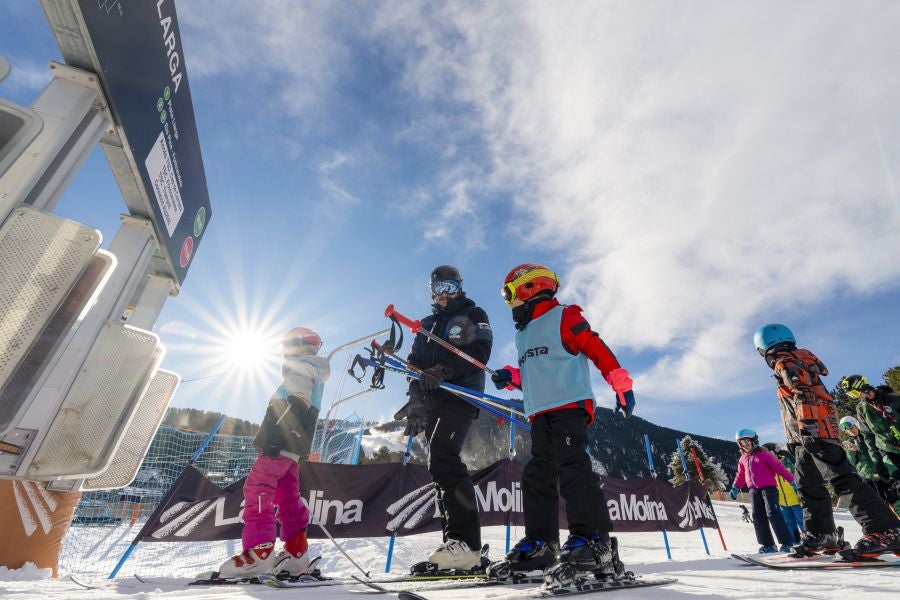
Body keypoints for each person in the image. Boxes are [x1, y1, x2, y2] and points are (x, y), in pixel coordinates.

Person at [489, 263, 636, 586]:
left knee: (573, 470)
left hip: (569, 407)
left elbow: (595, 348)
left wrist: (620, 384)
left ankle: (593, 542)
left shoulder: (564, 316)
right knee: (537, 475)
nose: (509, 303)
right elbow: (536, 374)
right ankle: (542, 544)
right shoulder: (523, 334)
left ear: (528, 288)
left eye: (510, 295)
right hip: (540, 412)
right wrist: (511, 377)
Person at [753, 324, 900, 556]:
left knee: (842, 478)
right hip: (805, 437)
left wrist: (808, 428)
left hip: (814, 431)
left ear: (763, 349)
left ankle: (886, 529)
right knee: (807, 484)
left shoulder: (786, 362)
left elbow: (803, 392)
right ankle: (822, 534)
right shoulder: (797, 360)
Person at [395, 265, 493, 571]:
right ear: (432, 291)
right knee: (437, 464)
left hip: (461, 395)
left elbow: (480, 351)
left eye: (451, 286)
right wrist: (415, 397)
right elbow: (413, 364)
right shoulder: (426, 324)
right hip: (433, 400)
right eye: (440, 288)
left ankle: (467, 543)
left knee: (444, 458)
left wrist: (444, 370)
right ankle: (455, 543)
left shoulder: (473, 314)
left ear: (460, 287)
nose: (445, 294)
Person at [217, 327, 330, 579]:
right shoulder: (314, 370)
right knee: (287, 495)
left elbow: (297, 402)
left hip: (281, 441)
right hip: (294, 446)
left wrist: (277, 438)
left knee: (258, 487)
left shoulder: (301, 367)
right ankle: (296, 553)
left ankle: (258, 553)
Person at [728, 430, 795, 553]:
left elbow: (780, 468)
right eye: (741, 443)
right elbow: (740, 475)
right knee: (757, 516)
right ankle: (768, 545)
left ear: (754, 441)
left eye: (747, 441)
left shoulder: (765, 455)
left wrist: (791, 480)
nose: (744, 445)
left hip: (768, 489)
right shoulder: (743, 458)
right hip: (753, 490)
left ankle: (787, 543)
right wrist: (735, 487)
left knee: (773, 513)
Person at [840, 376, 900, 495]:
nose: (857, 397)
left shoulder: (892, 399)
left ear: (862, 386)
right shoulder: (862, 409)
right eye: (852, 395)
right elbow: (868, 437)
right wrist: (876, 462)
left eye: (854, 393)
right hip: (889, 451)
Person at [840, 415, 900, 514]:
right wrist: (851, 452)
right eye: (847, 430)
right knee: (877, 505)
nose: (850, 431)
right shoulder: (848, 444)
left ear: (857, 425)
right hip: (869, 479)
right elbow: (850, 464)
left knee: (895, 499)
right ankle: (887, 527)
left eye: (851, 428)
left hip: (882, 474)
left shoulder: (868, 437)